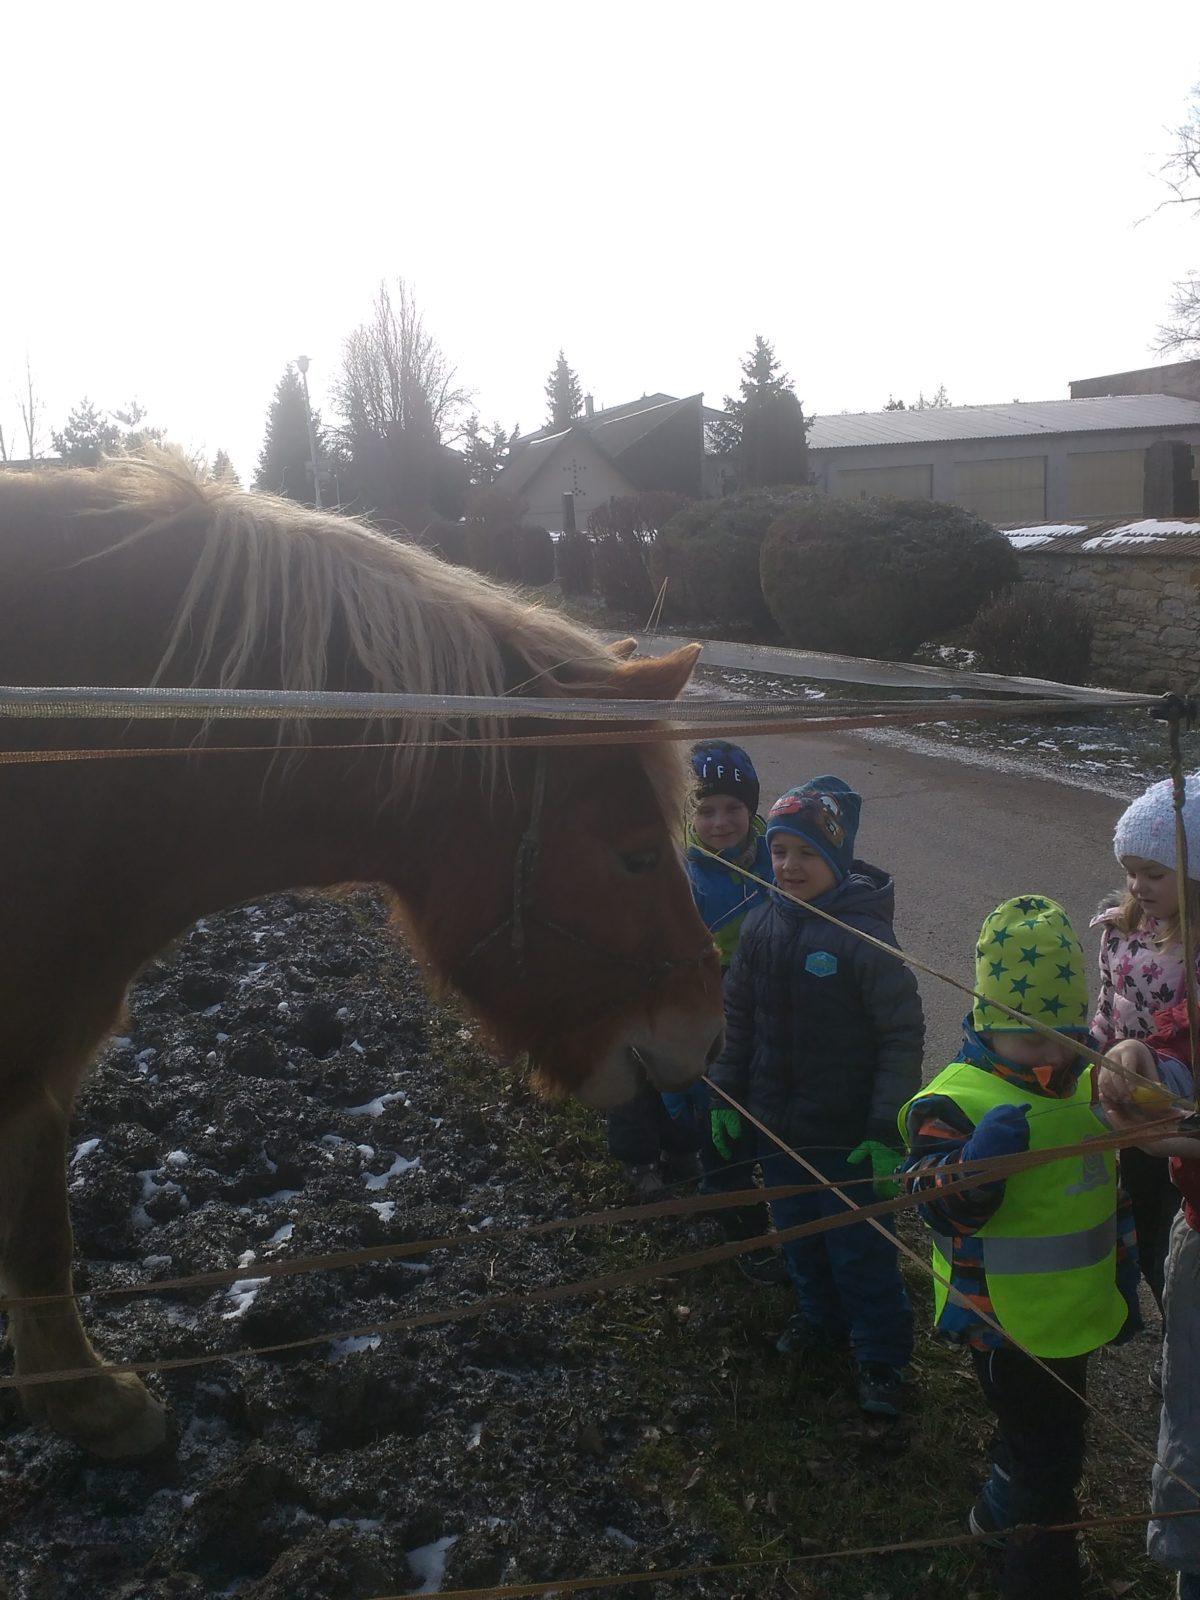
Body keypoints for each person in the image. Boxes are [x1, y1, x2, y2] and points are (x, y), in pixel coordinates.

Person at [901, 896, 1133, 1600]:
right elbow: (927, 1199)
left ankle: (1000, 1507)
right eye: (1031, 1040)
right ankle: (1043, 1576)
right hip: (1002, 1325)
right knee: (1053, 1465)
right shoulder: (957, 1100)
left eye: (1065, 1036)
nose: (1052, 1055)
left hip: (1073, 1318)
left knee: (1046, 1442)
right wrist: (972, 1169)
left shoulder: (1090, 1081)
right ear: (986, 1023)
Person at [708, 775, 924, 1416]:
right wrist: (726, 1093)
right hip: (777, 1125)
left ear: (834, 856)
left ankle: (882, 1358)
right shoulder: (760, 925)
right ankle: (818, 1318)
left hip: (846, 1136)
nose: (788, 866)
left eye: (804, 853)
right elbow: (738, 1020)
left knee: (860, 1251)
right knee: (799, 1235)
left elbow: (900, 1037)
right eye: (778, 852)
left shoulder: (865, 938)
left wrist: (887, 1128)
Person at [605, 742, 774, 1253]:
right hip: (670, 990)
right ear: (686, 813)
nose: (720, 822)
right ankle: (639, 1158)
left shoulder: (773, 863)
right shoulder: (671, 864)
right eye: (705, 810)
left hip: (737, 992)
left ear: (752, 809)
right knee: (642, 1075)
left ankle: (688, 1153)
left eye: (733, 808)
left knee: (708, 1080)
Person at [1092, 773, 1200, 1388]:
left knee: (1164, 1230)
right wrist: (1095, 1056)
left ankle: (1177, 1335)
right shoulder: (1123, 928)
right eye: (1131, 870)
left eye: (1155, 873)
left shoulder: (1194, 954)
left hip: (1174, 1115)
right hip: (1117, 1089)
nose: (1138, 885)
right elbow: (1107, 1003)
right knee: (1127, 1211)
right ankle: (1145, 1316)